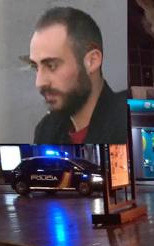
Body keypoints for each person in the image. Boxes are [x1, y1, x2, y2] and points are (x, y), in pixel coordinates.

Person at [26, 7, 127, 144]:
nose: (39, 82)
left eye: (51, 66)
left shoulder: (127, 123)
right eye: (35, 67)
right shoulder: (46, 131)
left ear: (92, 61)